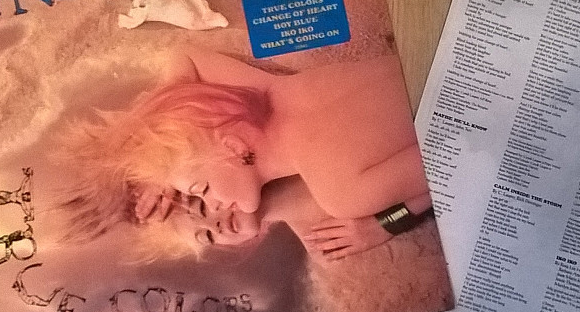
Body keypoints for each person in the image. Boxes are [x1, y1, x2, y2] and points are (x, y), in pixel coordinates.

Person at [58, 45, 435, 261]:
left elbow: (447, 166)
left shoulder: (341, 193)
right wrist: (167, 159)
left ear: (235, 147)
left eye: (202, 193)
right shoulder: (270, 92)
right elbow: (183, 55)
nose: (215, 207)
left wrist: (384, 224)